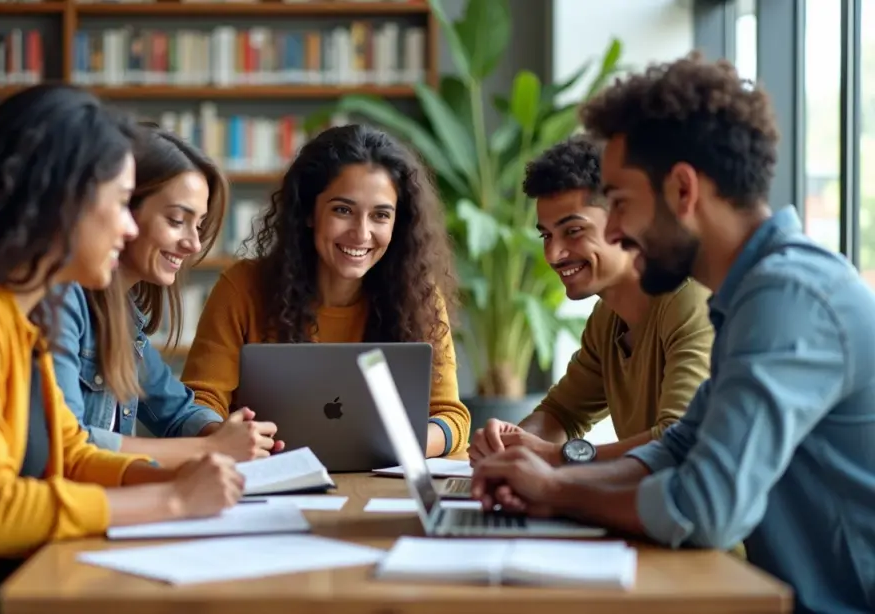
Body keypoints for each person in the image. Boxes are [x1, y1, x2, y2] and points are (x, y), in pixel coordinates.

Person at [470, 54, 875, 614]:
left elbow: (706, 505)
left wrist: (558, 488)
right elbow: (679, 445)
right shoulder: (751, 294)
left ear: (683, 191)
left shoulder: (789, 297)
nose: (613, 229)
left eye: (621, 202)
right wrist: (542, 479)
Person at [0, 85, 245, 614]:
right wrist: (172, 500)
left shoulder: (20, 321)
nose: (127, 227)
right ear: (61, 203)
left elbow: (72, 454)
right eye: (119, 203)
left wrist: (177, 478)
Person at [181, 123, 471, 457]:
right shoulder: (242, 287)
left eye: (380, 215)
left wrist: (398, 446)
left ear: (398, 224)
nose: (361, 234)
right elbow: (201, 401)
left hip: (381, 481)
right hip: (270, 480)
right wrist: (229, 440)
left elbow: (451, 417)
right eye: (343, 210)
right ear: (308, 211)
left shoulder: (418, 296)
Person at [468, 136, 713, 466]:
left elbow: (679, 440)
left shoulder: (690, 300)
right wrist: (509, 447)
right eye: (546, 235)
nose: (553, 254)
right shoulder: (608, 317)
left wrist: (558, 457)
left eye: (573, 231)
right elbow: (561, 413)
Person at [51, 124, 281, 467]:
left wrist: (227, 435)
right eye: (177, 220)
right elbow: (71, 442)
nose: (195, 244)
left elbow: (175, 411)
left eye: (199, 225)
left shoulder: (123, 316)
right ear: (121, 209)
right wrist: (212, 448)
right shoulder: (63, 297)